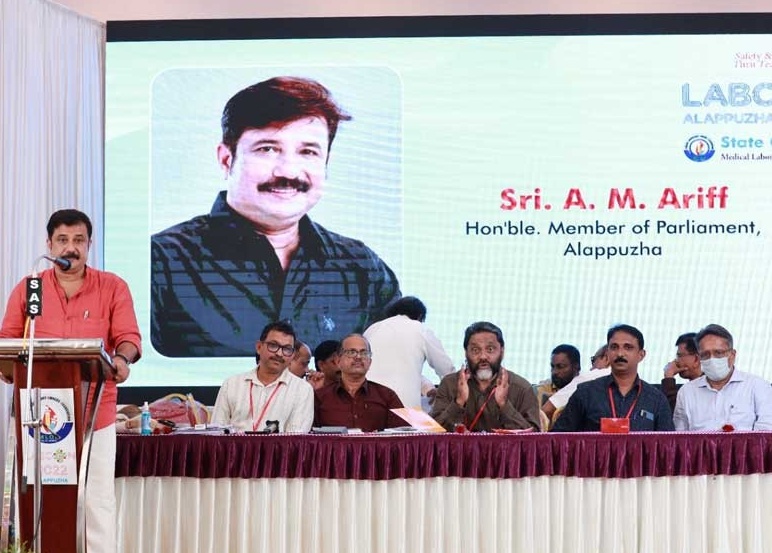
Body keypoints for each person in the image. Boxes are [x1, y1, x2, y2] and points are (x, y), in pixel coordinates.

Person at [151, 76, 401, 357]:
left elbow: (395, 365)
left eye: (308, 151)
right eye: (267, 149)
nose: (288, 171)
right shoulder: (161, 262)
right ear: (226, 159)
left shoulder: (362, 269)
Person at [0, 209, 141, 553]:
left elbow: (128, 339)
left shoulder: (112, 287)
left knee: (96, 501)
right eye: (62, 240)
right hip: (39, 415)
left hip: (95, 414)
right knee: (37, 498)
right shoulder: (30, 288)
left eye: (79, 240)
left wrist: (121, 359)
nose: (70, 248)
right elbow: (7, 340)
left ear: (90, 244)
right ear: (49, 244)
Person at [552, 324, 674, 432]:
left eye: (628, 347)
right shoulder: (586, 393)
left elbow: (667, 445)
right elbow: (558, 438)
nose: (620, 354)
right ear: (608, 352)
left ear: (641, 355)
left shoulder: (656, 399)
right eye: (614, 347)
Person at [430, 322, 540, 432]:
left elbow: (535, 437)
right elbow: (432, 433)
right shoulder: (450, 384)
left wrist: (504, 405)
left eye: (490, 349)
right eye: (475, 350)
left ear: (502, 352)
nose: (483, 356)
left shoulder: (521, 388)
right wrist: (458, 402)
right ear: (466, 353)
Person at [211, 321, 314, 432]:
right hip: (234, 444)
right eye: (273, 346)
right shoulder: (232, 385)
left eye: (287, 349)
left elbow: (296, 438)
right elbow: (216, 432)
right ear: (259, 347)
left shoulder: (302, 390)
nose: (279, 354)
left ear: (292, 355)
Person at [673, 324, 772, 431]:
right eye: (705, 354)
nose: (712, 359)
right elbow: (680, 437)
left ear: (732, 355)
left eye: (718, 353)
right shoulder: (686, 392)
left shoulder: (758, 387)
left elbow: (765, 434)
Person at [363, 296, 454, 409]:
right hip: (403, 408)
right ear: (420, 316)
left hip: (368, 404)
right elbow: (446, 368)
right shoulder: (421, 329)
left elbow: (400, 369)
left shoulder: (372, 329)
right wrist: (450, 394)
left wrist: (428, 387)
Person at [314, 334, 404, 431]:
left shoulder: (387, 397)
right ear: (338, 361)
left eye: (364, 353)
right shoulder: (319, 397)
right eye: (351, 352)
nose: (358, 357)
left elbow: (404, 435)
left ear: (370, 362)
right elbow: (309, 436)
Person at [542, 344, 611, 423]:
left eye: (593, 360)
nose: (591, 368)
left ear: (606, 358)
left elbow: (546, 410)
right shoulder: (623, 379)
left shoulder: (591, 377)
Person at [661, 332, 702, 413]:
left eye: (679, 356)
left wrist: (669, 377)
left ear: (696, 359)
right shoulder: (688, 389)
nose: (676, 361)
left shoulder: (707, 388)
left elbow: (675, 412)